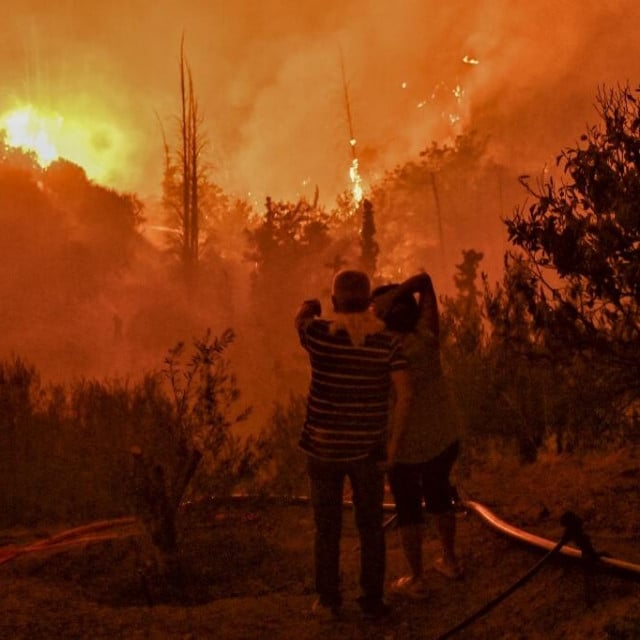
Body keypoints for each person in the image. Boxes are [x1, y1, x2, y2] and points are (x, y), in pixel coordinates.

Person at [295, 269, 410, 620]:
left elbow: (300, 320)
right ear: (370, 303)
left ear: (335, 302)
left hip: (323, 448)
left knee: (326, 529)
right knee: (371, 527)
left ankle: (329, 601)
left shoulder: (319, 335)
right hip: (368, 450)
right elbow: (404, 394)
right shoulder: (388, 343)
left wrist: (308, 306)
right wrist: (393, 448)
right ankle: (372, 600)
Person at [372, 272, 464, 600]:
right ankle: (450, 561)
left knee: (408, 509)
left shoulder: (381, 349)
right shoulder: (427, 335)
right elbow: (426, 279)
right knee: (440, 496)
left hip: (404, 443)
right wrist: (396, 293)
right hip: (442, 433)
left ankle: (417, 577)